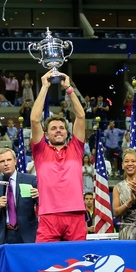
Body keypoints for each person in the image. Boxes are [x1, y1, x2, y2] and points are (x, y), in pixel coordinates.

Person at [30, 69, 87, 242]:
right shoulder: (40, 151)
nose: (58, 131)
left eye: (62, 128)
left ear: (67, 132)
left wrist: (69, 89)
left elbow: (81, 116)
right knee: (44, 258)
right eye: (53, 128)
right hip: (48, 215)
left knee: (77, 257)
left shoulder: (76, 148)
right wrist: (44, 87)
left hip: (76, 214)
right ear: (46, 135)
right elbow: (34, 120)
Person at [0, 148, 39, 244]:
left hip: (27, 235)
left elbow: (45, 204)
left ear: (15, 161)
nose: (6, 164)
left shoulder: (30, 180)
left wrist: (39, 197)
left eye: (9, 160)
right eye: (2, 161)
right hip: (5, 237)